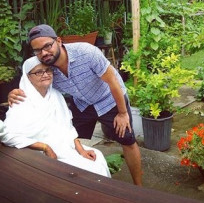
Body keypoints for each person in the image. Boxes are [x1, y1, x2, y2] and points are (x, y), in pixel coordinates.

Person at [8, 24, 142, 185]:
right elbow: (31, 81)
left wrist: (122, 113)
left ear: (58, 40)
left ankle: (138, 186)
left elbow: (113, 80)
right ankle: (81, 172)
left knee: (127, 139)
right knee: (72, 135)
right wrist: (14, 93)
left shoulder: (86, 52)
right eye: (37, 50)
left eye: (47, 46)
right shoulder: (47, 68)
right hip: (83, 102)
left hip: (108, 99)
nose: (43, 53)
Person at [1, 56, 111, 177]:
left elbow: (67, 127)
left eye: (48, 70)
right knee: (91, 169)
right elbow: (8, 136)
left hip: (63, 146)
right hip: (37, 153)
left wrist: (81, 150)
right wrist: (45, 147)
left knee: (97, 156)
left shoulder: (56, 95)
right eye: (39, 72)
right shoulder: (20, 100)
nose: (45, 74)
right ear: (28, 77)